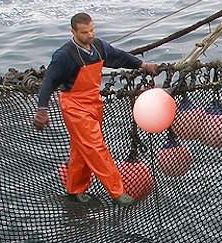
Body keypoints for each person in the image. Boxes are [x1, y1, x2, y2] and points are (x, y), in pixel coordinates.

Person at [34, 12, 158, 205]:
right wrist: (42, 109)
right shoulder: (64, 55)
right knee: (94, 146)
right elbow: (48, 83)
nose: (90, 35)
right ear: (73, 32)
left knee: (80, 149)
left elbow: (118, 57)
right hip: (74, 106)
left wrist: (142, 64)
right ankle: (117, 192)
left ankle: (74, 189)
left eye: (92, 30)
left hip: (93, 103)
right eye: (84, 32)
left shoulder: (98, 47)